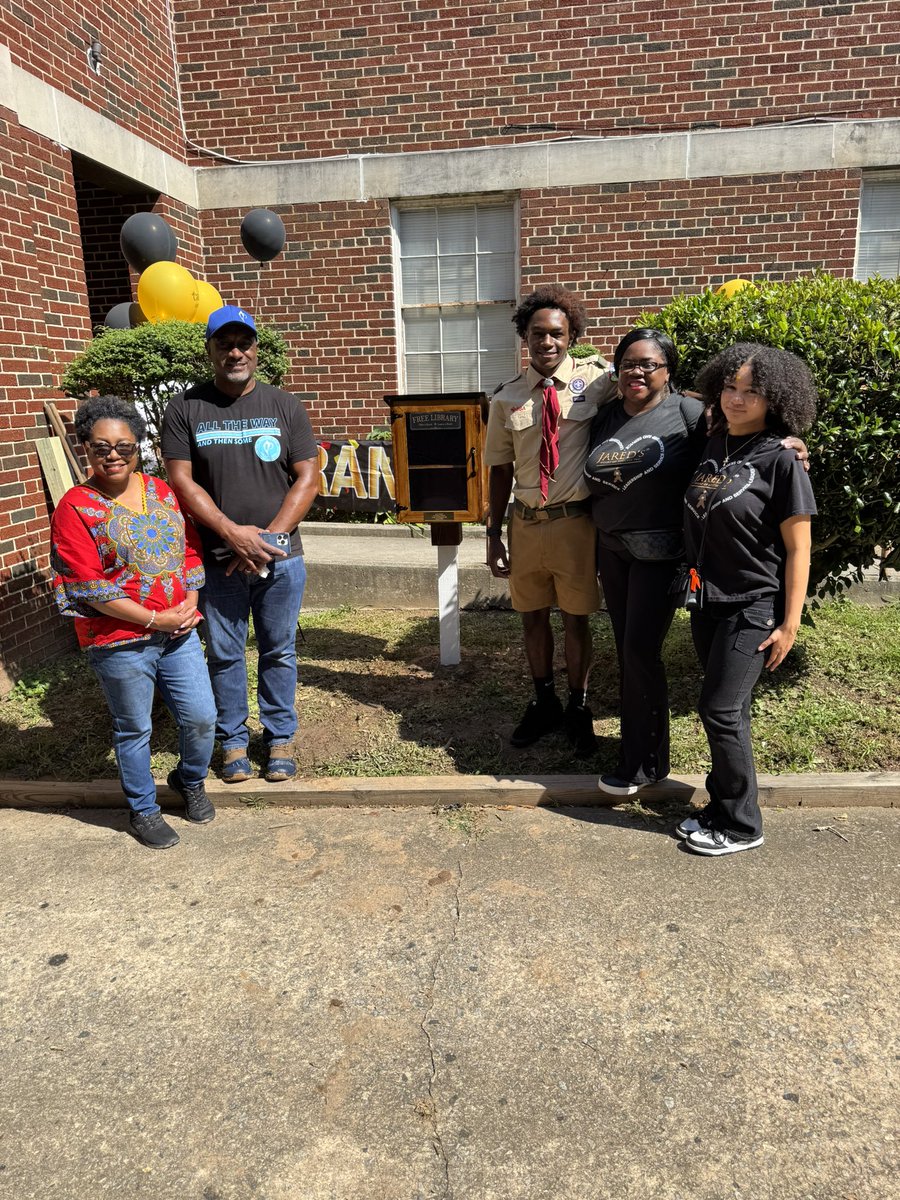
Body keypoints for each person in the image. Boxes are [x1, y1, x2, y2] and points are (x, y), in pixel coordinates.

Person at [50, 396, 217, 850]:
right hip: (119, 639)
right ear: (85, 446)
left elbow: (188, 550)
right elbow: (87, 585)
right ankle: (143, 809)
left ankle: (189, 779)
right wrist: (152, 618)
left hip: (178, 630)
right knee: (134, 727)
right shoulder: (75, 508)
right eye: (101, 446)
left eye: (124, 445)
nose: (113, 454)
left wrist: (189, 601)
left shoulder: (162, 492)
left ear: (138, 445)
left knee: (202, 717)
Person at [161, 306, 318, 784]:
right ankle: (232, 741)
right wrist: (232, 533)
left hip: (281, 558)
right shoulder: (186, 408)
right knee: (224, 653)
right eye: (224, 343)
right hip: (218, 560)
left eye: (243, 342)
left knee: (279, 649)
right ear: (209, 350)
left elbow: (308, 478)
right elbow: (182, 482)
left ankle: (279, 737)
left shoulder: (285, 405)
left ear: (256, 348)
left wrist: (268, 540)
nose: (235, 351)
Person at [676, 343, 817, 856]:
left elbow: (799, 549)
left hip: (753, 604)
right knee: (727, 711)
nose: (736, 399)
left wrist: (789, 623)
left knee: (719, 709)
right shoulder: (714, 443)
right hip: (706, 600)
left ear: (774, 399)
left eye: (751, 392)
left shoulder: (782, 460)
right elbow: (681, 391)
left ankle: (741, 826)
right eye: (729, 387)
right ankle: (721, 805)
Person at [485, 285, 617, 756]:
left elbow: (655, 399)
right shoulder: (506, 398)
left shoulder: (600, 380)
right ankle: (544, 701)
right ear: (525, 336)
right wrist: (492, 532)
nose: (548, 342)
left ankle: (579, 708)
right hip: (525, 524)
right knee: (532, 616)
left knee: (578, 618)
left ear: (572, 335)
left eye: (557, 334)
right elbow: (500, 471)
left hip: (575, 525)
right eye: (538, 333)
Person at [584, 329, 707, 796]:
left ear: (668, 370)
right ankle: (647, 754)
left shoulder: (689, 413)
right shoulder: (605, 416)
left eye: (649, 364)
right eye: (628, 363)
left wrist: (789, 442)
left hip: (662, 555)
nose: (637, 371)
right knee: (627, 649)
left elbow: (739, 441)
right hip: (611, 550)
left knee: (639, 651)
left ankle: (641, 763)